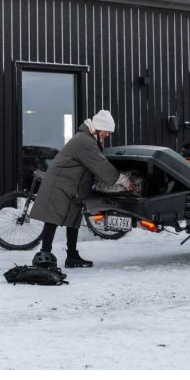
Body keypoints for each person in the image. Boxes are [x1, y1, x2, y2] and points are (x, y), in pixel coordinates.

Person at [30, 110, 133, 268]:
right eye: (107, 131)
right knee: (53, 218)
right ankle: (44, 254)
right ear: (98, 128)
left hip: (71, 186)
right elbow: (101, 165)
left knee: (73, 219)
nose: (108, 135)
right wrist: (124, 180)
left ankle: (72, 256)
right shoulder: (85, 141)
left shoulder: (89, 139)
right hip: (60, 184)